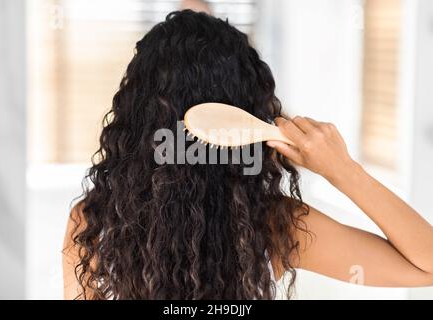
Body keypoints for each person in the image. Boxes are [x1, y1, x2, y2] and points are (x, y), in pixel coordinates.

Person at [62, 10, 433, 300]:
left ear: (138, 117)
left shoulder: (92, 224)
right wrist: (344, 171)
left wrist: (345, 171)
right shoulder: (274, 225)